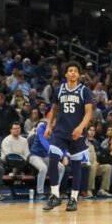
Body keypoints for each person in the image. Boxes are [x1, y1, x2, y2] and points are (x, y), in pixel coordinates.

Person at [42, 62, 93, 212]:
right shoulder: (59, 90)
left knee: (76, 165)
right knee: (53, 160)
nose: (72, 73)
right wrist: (49, 126)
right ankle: (55, 195)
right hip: (60, 131)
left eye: (75, 71)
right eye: (70, 70)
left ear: (79, 75)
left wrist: (80, 127)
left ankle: (73, 198)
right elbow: (54, 109)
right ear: (66, 74)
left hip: (77, 132)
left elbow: (89, 113)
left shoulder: (84, 91)